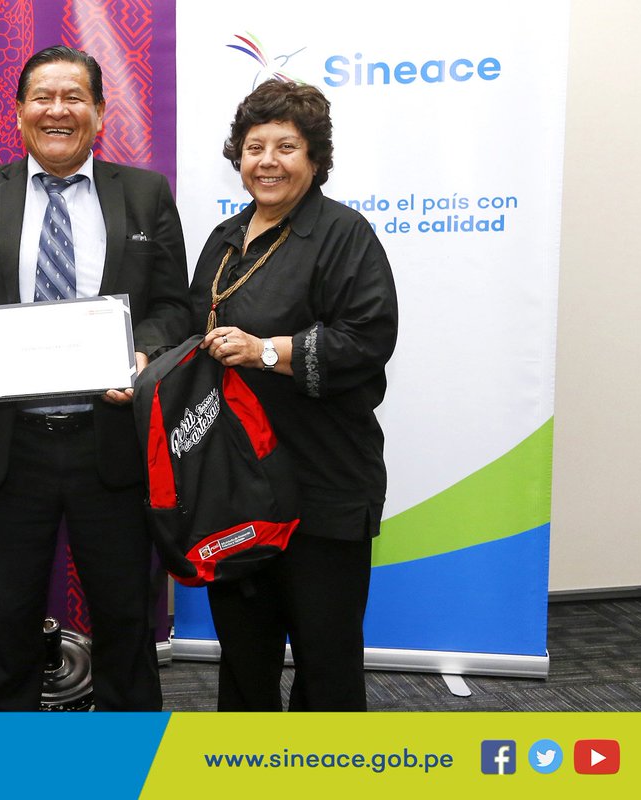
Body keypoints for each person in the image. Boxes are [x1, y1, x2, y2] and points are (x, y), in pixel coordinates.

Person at [0, 45, 191, 711]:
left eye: (74, 97)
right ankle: (5, 756)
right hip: (10, 444)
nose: (58, 110)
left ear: (100, 112)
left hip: (113, 438)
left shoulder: (146, 193)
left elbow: (174, 306)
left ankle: (129, 753)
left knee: (126, 614)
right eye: (42, 97)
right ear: (19, 112)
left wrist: (143, 353)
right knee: (5, 616)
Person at [189, 79, 398, 711]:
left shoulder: (343, 234)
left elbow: (366, 340)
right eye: (255, 147)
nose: (268, 162)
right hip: (236, 489)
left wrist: (265, 351)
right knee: (243, 660)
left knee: (326, 661)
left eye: (286, 147)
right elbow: (188, 338)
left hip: (322, 484)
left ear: (314, 157)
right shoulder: (225, 238)